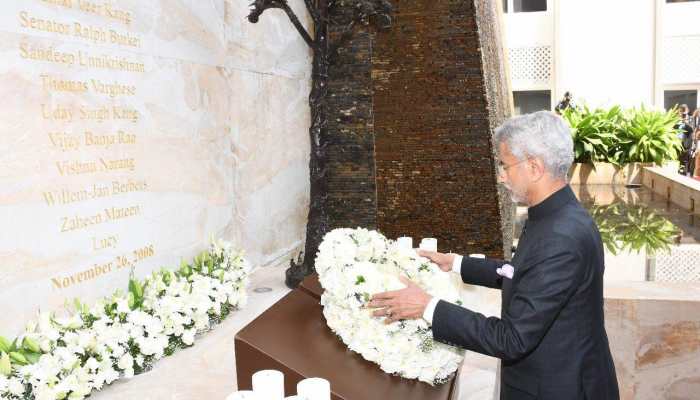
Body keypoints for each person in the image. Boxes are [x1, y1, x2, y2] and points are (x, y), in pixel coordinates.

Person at [369, 111, 620, 400]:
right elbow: (523, 273)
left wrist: (427, 307)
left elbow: (511, 339)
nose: (501, 175)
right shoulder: (555, 213)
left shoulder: (561, 236)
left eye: (505, 165)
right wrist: (456, 263)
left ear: (535, 167)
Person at [675, 105, 694, 175]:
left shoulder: (690, 123)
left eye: (684, 114)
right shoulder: (675, 123)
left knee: (683, 166)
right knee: (676, 166)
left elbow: (691, 137)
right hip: (676, 146)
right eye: (681, 113)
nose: (682, 115)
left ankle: (682, 175)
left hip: (685, 147)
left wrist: (688, 149)